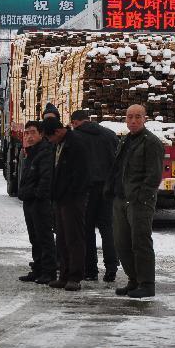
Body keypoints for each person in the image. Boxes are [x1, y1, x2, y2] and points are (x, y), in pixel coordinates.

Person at [105, 104, 164, 298]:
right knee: (122, 243)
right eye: (129, 117)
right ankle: (133, 280)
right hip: (121, 200)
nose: (133, 120)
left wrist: (141, 197)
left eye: (138, 116)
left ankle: (147, 283)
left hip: (139, 202)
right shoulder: (126, 140)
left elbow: (154, 175)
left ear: (145, 119)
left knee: (140, 243)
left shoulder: (151, 142)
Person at [71, 110, 119, 282]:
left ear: (76, 122)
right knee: (107, 229)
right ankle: (111, 268)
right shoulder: (110, 135)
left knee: (87, 229)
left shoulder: (75, 136)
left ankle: (90, 270)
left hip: (87, 189)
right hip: (107, 188)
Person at [42, 117, 90, 292]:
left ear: (57, 132)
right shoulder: (60, 144)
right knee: (62, 238)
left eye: (49, 138)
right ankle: (64, 274)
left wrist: (70, 194)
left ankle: (75, 276)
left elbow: (81, 175)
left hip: (73, 200)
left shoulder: (76, 144)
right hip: (61, 199)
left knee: (74, 238)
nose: (49, 142)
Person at [17, 121, 57, 285]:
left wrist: (36, 194)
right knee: (34, 237)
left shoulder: (45, 152)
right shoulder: (31, 152)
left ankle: (49, 271)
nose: (29, 136)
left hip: (40, 202)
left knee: (44, 237)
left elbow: (46, 179)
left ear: (41, 134)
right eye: (26, 133)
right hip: (30, 201)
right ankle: (38, 269)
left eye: (32, 132)